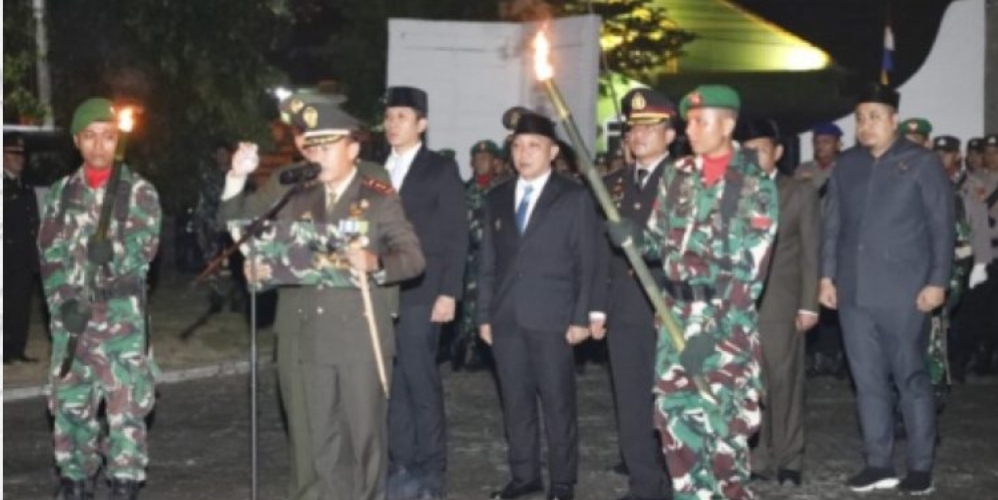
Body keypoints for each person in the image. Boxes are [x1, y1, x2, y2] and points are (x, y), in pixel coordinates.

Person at [220, 100, 425, 500]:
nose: (317, 155)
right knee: (319, 444)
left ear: (353, 149)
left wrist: (376, 262)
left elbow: (413, 258)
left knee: (364, 441)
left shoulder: (378, 197)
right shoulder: (296, 197)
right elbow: (252, 234)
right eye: (313, 147)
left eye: (328, 146)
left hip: (359, 337)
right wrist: (260, 270)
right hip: (310, 336)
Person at [609, 84, 778, 500]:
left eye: (702, 122)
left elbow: (748, 278)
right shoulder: (678, 174)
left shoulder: (753, 183)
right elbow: (660, 242)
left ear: (728, 125)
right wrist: (634, 238)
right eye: (689, 122)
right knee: (678, 437)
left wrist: (708, 335)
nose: (692, 130)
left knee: (723, 443)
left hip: (724, 335)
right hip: (673, 325)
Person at [820, 83, 954, 494]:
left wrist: (937, 281)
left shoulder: (921, 162)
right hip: (854, 291)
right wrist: (826, 276)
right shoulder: (847, 165)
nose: (866, 125)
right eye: (860, 118)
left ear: (894, 119)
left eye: (874, 117)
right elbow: (833, 224)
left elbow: (941, 226)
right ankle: (878, 463)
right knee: (867, 381)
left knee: (910, 378)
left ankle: (920, 466)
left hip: (905, 292)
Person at [38, 97, 162, 500]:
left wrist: (115, 253)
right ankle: (75, 479)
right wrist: (62, 305)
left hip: (121, 320)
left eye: (107, 137)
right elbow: (49, 254)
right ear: (77, 140)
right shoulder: (61, 193)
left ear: (117, 141)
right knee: (71, 406)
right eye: (89, 136)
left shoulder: (137, 191)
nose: (98, 145)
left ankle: (124, 483)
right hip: (74, 322)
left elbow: (146, 247)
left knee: (125, 409)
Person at [477, 112, 598, 500]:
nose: (524, 153)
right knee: (515, 402)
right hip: (507, 316)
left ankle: (562, 482)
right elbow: (488, 262)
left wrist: (581, 316)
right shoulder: (497, 197)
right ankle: (524, 474)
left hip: (553, 316)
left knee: (558, 403)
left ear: (553, 151)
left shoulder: (573, 197)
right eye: (517, 146)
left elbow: (587, 262)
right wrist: (483, 314)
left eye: (533, 146)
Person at [381, 86, 469, 500]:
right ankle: (401, 462)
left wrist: (449, 292)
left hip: (424, 290)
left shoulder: (440, 168)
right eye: (389, 117)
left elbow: (456, 234)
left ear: (422, 124)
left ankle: (432, 468)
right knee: (393, 381)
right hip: (383, 291)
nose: (392, 124)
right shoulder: (375, 170)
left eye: (402, 117)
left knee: (420, 379)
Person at [593, 88, 676, 500]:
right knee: (630, 400)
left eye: (649, 128)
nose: (637, 136)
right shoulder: (612, 185)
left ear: (670, 134)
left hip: (671, 308)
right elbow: (598, 253)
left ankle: (676, 481)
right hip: (624, 308)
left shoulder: (685, 181)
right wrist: (596, 307)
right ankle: (643, 484)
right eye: (632, 129)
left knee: (672, 402)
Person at [739, 119, 820, 487]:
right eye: (747, 151)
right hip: (740, 304)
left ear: (778, 152)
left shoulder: (797, 192)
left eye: (761, 150)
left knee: (783, 381)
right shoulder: (733, 191)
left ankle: (789, 458)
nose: (754, 157)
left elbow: (811, 252)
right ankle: (757, 458)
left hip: (781, 303)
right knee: (748, 384)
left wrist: (808, 304)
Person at [795, 122, 846, 378]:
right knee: (810, 298)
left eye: (827, 141)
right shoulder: (803, 170)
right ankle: (814, 356)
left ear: (838, 144)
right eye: (817, 141)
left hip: (839, 243)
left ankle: (838, 356)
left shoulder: (847, 169)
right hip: (810, 243)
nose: (821, 146)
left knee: (838, 300)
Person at [453, 139, 502, 372]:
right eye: (478, 158)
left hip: (500, 260)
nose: (481, 162)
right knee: (470, 305)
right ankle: (469, 348)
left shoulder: (505, 190)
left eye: (486, 158)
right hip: (472, 259)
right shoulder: (463, 192)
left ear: (495, 162)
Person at [4, 132, 41, 364]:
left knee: (20, 305)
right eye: (13, 154)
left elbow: (33, 223)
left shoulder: (25, 187)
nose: (20, 159)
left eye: (22, 155)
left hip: (23, 257)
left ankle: (17, 349)